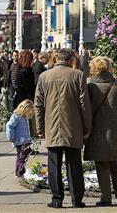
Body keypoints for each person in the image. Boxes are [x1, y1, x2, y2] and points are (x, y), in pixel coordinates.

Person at [35, 48, 92, 209]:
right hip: (73, 126)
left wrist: (40, 127)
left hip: (52, 126)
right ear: (71, 59)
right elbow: (84, 104)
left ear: (56, 58)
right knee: (74, 164)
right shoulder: (78, 75)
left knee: (54, 164)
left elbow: (38, 104)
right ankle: (76, 199)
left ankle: (57, 199)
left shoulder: (44, 76)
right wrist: (87, 126)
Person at [84, 56, 117, 207]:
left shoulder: (91, 87)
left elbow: (87, 110)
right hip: (116, 131)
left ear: (94, 68)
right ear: (109, 68)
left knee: (102, 165)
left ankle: (106, 198)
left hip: (98, 132)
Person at [6, 99, 34, 177]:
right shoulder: (16, 117)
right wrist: (11, 137)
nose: (29, 113)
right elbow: (9, 126)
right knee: (21, 157)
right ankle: (19, 172)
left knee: (24, 156)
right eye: (29, 111)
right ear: (24, 108)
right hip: (20, 141)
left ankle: (21, 170)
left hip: (25, 140)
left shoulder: (24, 117)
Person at [13, 51, 36, 137]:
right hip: (25, 102)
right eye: (31, 58)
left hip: (21, 101)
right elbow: (28, 89)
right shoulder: (26, 72)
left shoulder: (22, 71)